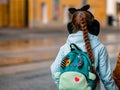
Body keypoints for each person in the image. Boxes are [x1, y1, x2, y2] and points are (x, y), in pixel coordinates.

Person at [50, 5, 118, 90]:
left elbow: (54, 70)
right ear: (93, 26)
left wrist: (63, 84)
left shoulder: (65, 47)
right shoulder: (99, 48)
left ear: (72, 26)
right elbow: (106, 78)